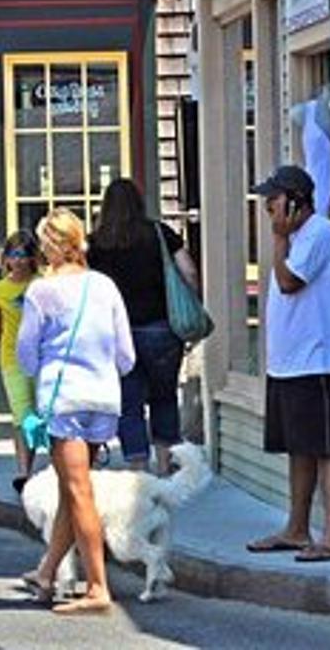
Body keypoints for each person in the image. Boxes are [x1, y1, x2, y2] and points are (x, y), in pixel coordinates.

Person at [16, 208, 136, 614]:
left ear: (49, 247)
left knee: (78, 491)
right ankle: (48, 571)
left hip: (64, 399)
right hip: (104, 398)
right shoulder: (104, 286)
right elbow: (126, 355)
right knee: (74, 488)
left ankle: (97, 585)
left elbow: (26, 356)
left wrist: (45, 369)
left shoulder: (41, 292)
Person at [245, 165, 330, 563]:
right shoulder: (297, 238)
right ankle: (297, 527)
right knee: (299, 448)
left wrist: (277, 238)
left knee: (326, 448)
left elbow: (290, 283)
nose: (267, 207)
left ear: (294, 201)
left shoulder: (320, 234)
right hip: (289, 361)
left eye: (273, 200)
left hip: (317, 359)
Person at [87, 176, 199, 475]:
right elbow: (188, 270)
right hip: (161, 328)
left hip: (117, 333)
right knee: (164, 397)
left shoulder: (96, 243)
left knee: (129, 401)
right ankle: (165, 463)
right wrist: (191, 300)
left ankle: (137, 466)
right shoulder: (160, 233)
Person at [0, 230, 41, 491]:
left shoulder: (43, 284)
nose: (19, 261)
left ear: (33, 258)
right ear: (5, 258)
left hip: (43, 357)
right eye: (14, 255)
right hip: (12, 358)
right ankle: (24, 471)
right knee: (22, 415)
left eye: (24, 255)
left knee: (46, 413)